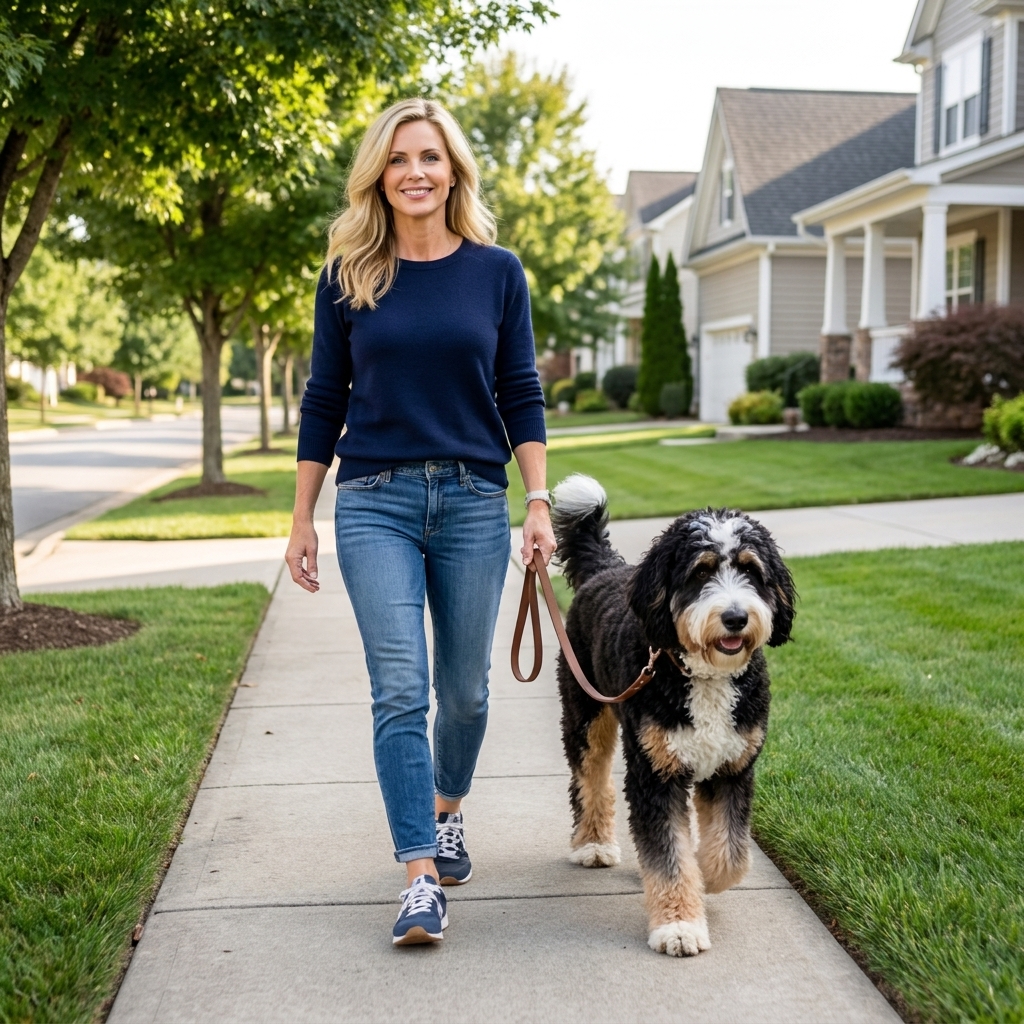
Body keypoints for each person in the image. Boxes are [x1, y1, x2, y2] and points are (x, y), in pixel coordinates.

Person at [285, 98, 555, 947]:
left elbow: (521, 390)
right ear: (379, 173)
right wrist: (302, 516)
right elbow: (325, 397)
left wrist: (538, 500)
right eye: (399, 158)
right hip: (374, 502)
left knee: (467, 693)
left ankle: (446, 812)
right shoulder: (348, 274)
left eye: (430, 157)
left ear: (454, 171)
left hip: (475, 501)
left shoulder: (497, 271)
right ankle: (419, 874)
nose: (414, 172)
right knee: (400, 689)